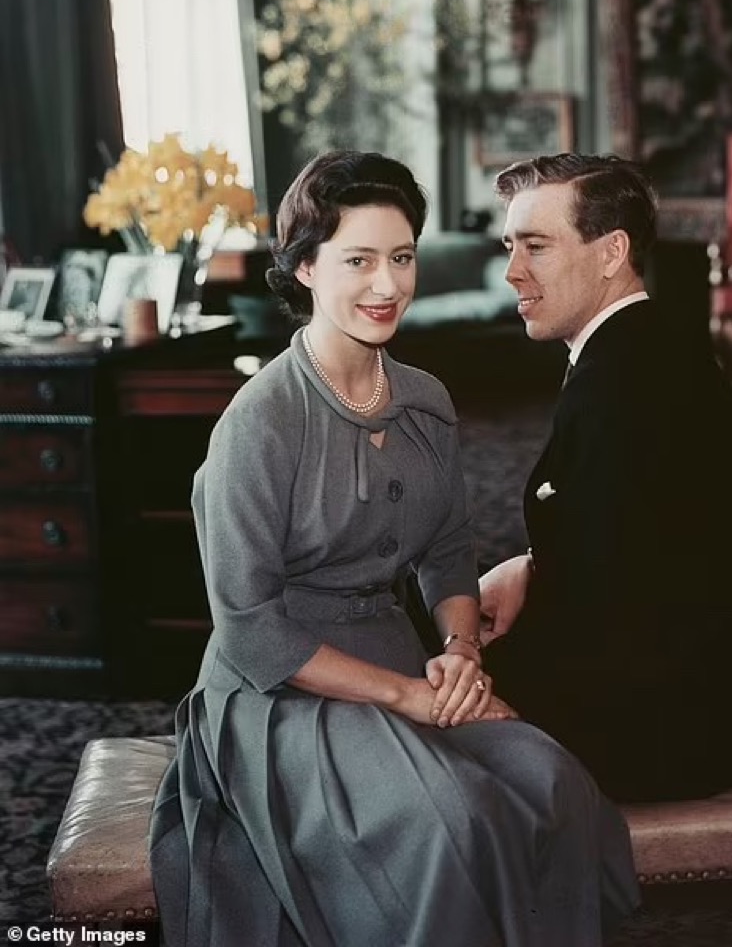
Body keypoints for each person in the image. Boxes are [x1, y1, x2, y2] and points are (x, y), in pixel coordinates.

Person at [149, 150, 639, 947]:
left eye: (402, 257)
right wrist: (406, 696)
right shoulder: (258, 422)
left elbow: (447, 551)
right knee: (446, 820)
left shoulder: (424, 400)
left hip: (399, 661)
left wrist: (460, 652)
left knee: (552, 782)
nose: (387, 285)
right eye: (359, 260)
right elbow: (250, 628)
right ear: (306, 268)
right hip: (279, 697)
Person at [480, 154, 732, 803]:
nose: (512, 271)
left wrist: (466, 667)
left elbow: (604, 613)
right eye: (509, 246)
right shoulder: (643, 348)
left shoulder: (624, 384)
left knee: (390, 698)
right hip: (683, 699)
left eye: (536, 246)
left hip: (656, 729)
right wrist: (530, 566)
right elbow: (638, 545)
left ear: (611, 252)